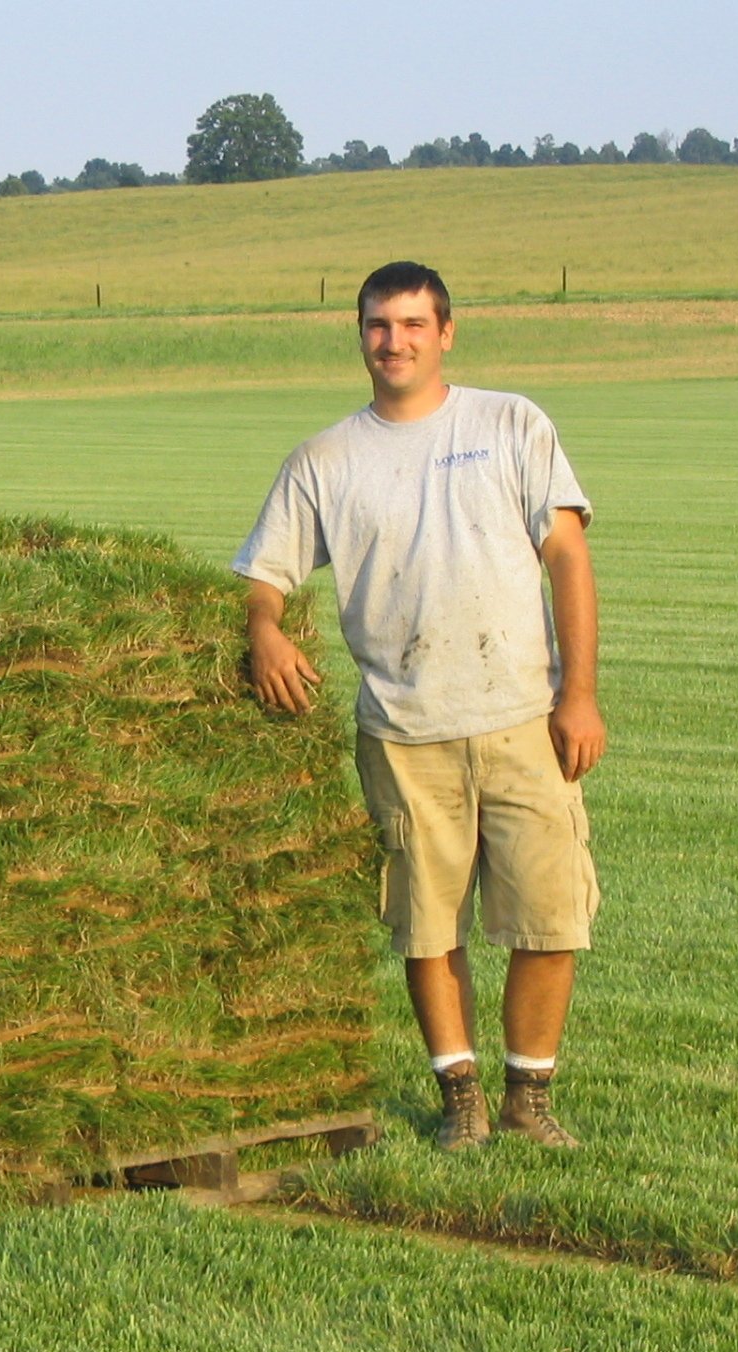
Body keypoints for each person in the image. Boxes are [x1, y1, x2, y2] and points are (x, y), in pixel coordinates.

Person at [232, 261, 605, 1151]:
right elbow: (263, 577)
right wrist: (265, 630)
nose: (392, 341)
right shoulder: (324, 460)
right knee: (426, 928)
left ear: (446, 332)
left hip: (523, 717)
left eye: (410, 324)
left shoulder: (510, 423)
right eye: (376, 325)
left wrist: (578, 695)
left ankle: (530, 1099)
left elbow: (568, 560)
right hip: (402, 735)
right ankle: (461, 1101)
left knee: (551, 919)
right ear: (357, 335)